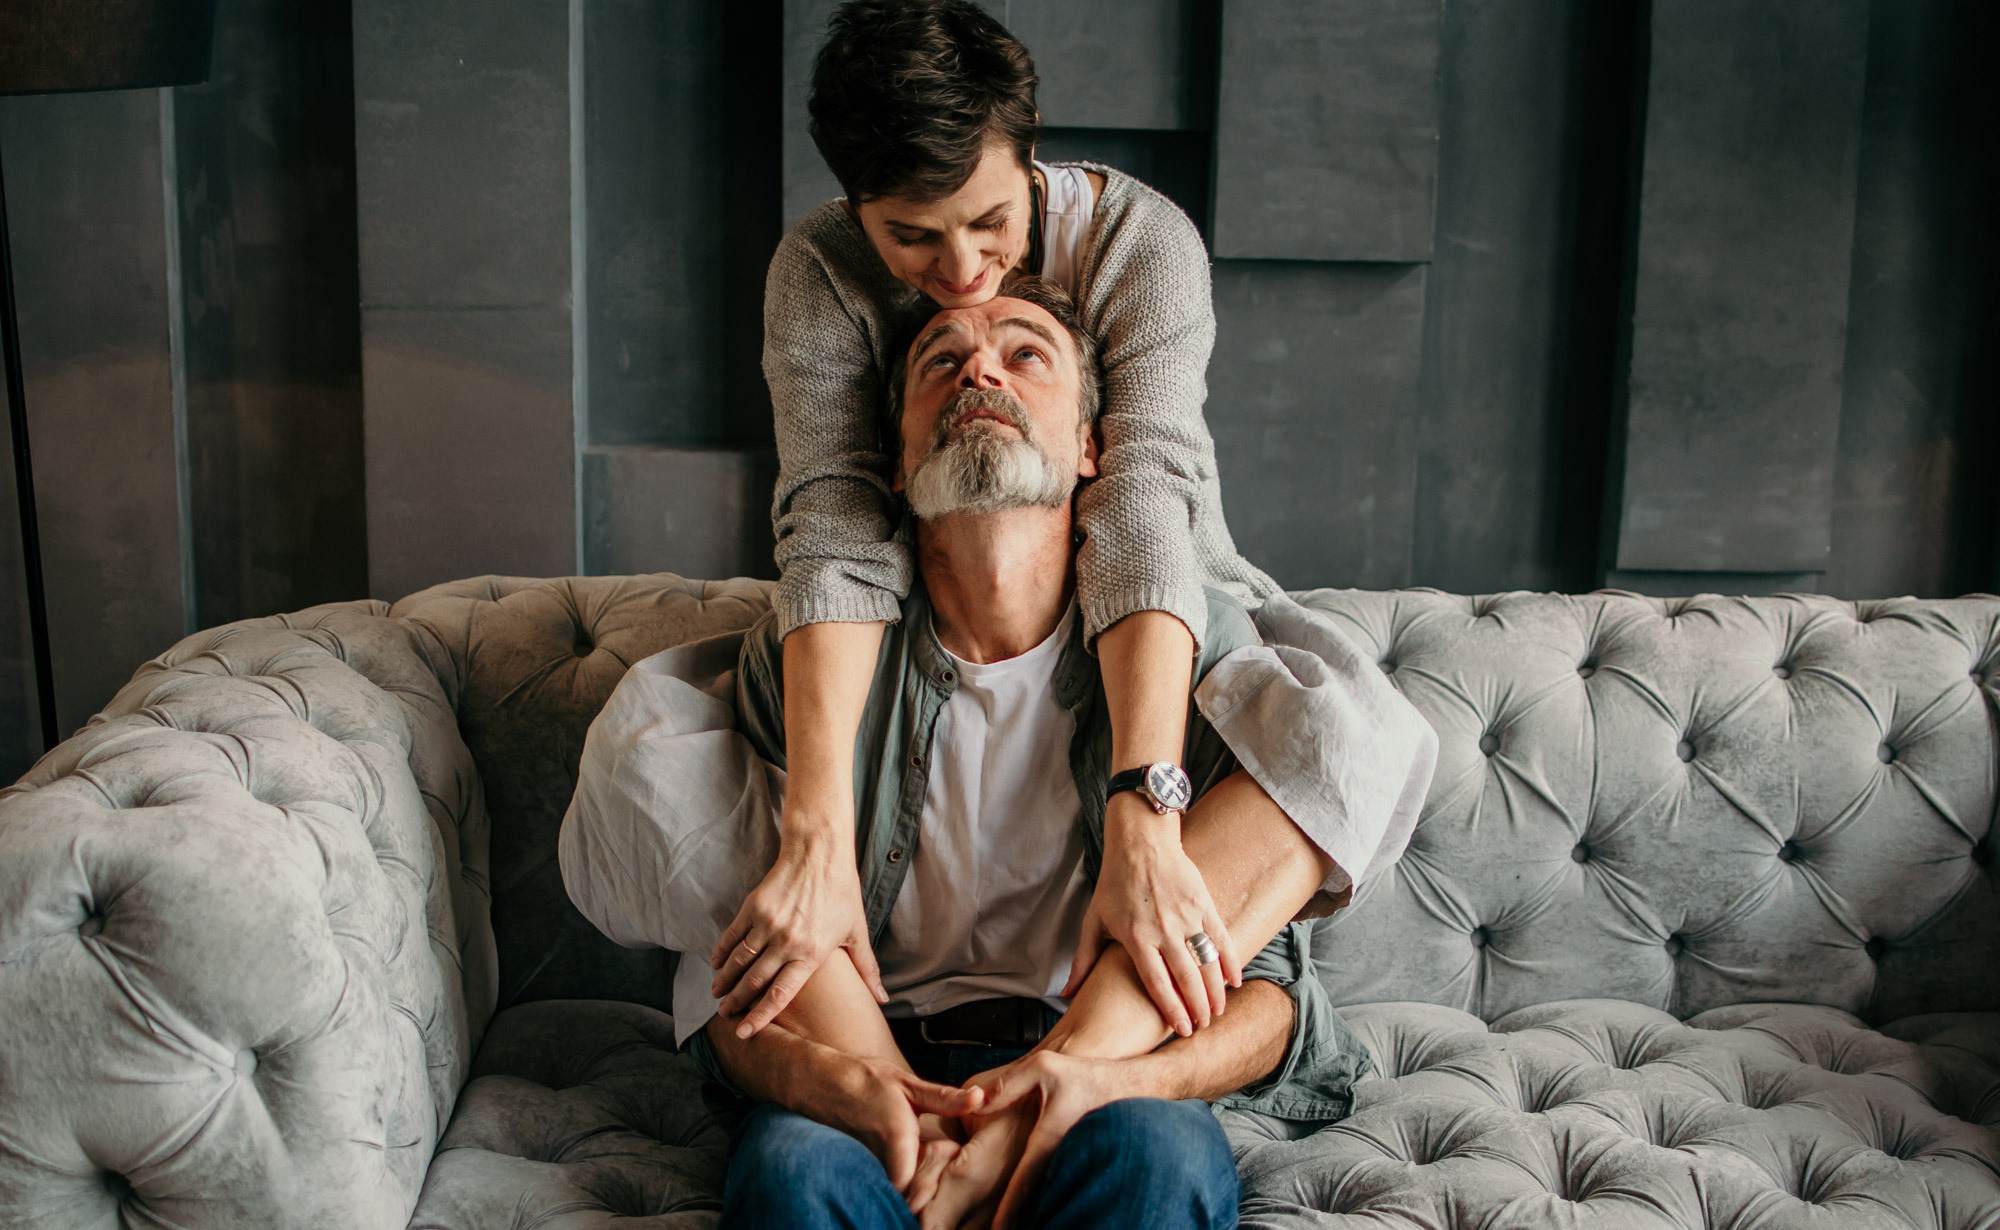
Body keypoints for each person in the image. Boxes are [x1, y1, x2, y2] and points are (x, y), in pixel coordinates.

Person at [560, 282, 1396, 1229]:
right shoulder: (809, 666)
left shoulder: (1194, 664)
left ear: (1092, 447)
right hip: (877, 1046)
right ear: (900, 461)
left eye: (1027, 353)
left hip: (1098, 1057)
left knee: (1156, 1158)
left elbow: (1268, 995)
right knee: (794, 1174)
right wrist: (838, 1084)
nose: (981, 369)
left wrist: (1087, 1084)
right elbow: (737, 979)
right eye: (941, 362)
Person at [720, 0, 1436, 1055]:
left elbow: (1141, 499)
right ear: (851, 202)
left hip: (1142, 591)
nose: (961, 268)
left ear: (1031, 147)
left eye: (989, 222)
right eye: (910, 237)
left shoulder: (1141, 243)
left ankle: (1072, 1078)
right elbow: (832, 517)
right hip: (905, 599)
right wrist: (817, 835)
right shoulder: (816, 270)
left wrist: (1144, 814)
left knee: (1352, 732)